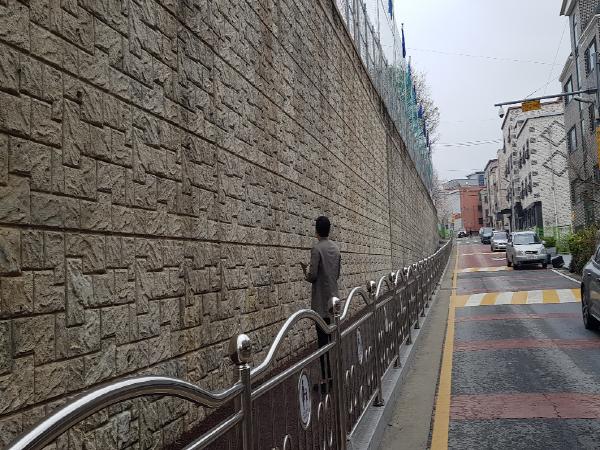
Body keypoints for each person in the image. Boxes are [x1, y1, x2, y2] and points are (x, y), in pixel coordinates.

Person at [300, 216, 341, 388]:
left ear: (317, 230)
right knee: (333, 339)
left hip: (320, 302)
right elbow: (336, 274)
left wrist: (305, 272)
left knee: (322, 342)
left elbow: (313, 275)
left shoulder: (316, 249)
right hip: (334, 301)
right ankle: (334, 377)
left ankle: (325, 380)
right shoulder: (336, 249)